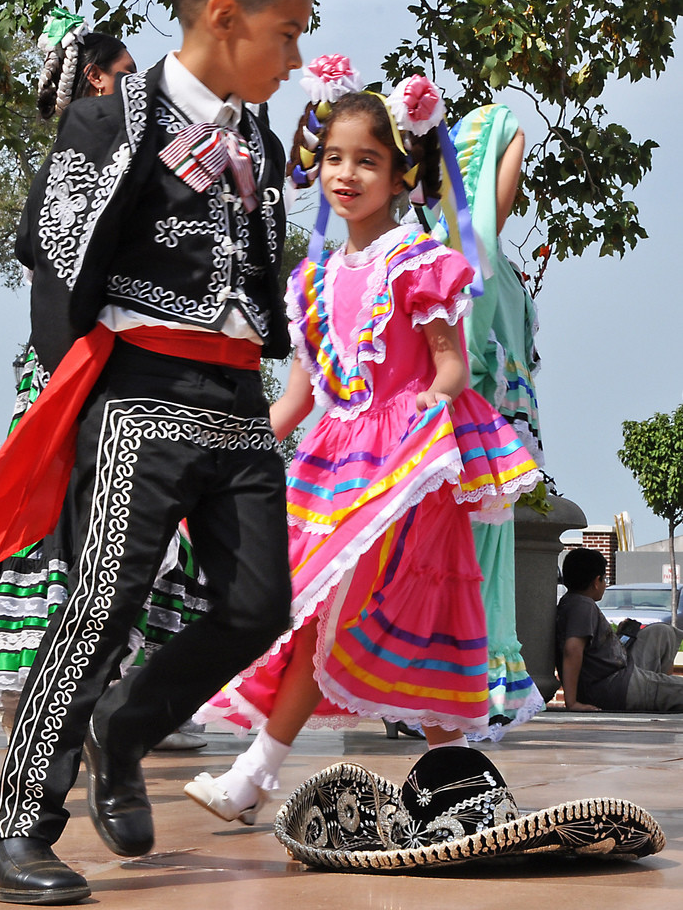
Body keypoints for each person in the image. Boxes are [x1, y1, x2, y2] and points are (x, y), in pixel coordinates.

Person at [0, 0, 315, 905]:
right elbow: (55, 257)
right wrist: (74, 389)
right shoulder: (111, 119)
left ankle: (128, 724)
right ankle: (12, 827)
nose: (293, 56)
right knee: (98, 609)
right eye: (286, 34)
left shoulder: (256, 133)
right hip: (139, 393)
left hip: (236, 397)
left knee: (257, 605)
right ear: (223, 17)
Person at [184, 59, 540, 828]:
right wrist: (228, 456)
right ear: (316, 158)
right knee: (321, 613)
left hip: (408, 467)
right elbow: (296, 398)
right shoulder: (309, 281)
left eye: (368, 160)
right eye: (337, 157)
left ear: (400, 171)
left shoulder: (419, 263)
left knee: (367, 612)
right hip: (334, 464)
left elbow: (449, 366)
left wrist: (425, 423)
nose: (347, 174)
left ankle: (260, 777)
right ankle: (452, 784)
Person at [0, 15, 140, 729]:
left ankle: (102, 700)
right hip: (73, 361)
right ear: (95, 79)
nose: (138, 87)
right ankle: (38, 702)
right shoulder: (83, 160)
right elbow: (47, 254)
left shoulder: (132, 156)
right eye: (126, 74)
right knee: (58, 508)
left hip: (105, 360)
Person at [424, 105, 545, 737]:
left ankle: (467, 695)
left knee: (479, 566)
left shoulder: (473, 262)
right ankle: (461, 695)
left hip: (485, 447)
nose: (516, 182)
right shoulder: (461, 264)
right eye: (508, 166)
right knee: (466, 569)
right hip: (463, 446)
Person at [556, 547, 683, 712]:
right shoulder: (583, 606)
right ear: (596, 582)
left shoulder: (572, 603)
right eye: (604, 579)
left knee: (662, 632)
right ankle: (659, 690)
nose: (605, 584)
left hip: (621, 672)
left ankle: (658, 688)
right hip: (616, 685)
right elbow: (572, 649)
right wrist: (572, 703)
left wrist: (616, 637)